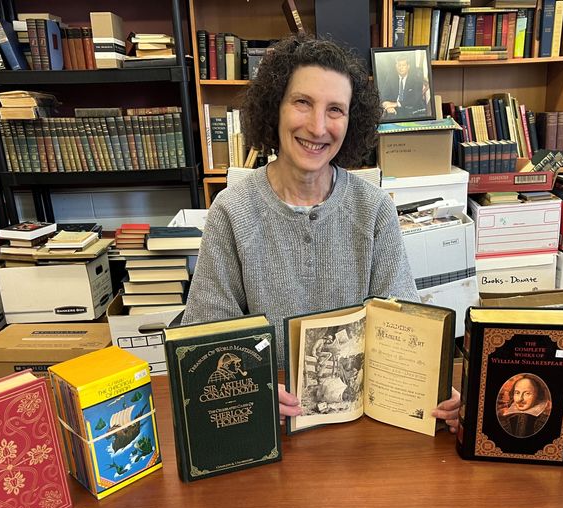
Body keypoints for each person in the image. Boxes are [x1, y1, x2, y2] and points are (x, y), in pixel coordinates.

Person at [181, 34, 459, 432]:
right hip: (267, 424)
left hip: (364, 429)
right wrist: (249, 390)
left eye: (335, 110)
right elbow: (205, 340)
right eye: (302, 103)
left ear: (351, 121)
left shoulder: (374, 208)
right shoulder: (232, 210)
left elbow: (405, 323)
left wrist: (433, 386)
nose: (317, 126)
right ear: (274, 108)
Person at [378, 53, 427, 119]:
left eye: (403, 65)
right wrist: (387, 105)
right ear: (396, 66)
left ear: (408, 66)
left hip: (411, 110)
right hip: (394, 110)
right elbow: (383, 95)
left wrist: (396, 104)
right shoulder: (391, 78)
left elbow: (415, 99)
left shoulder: (416, 79)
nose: (401, 68)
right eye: (399, 65)